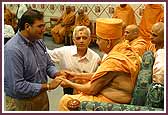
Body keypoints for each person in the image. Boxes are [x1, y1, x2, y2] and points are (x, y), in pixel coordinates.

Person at [57, 18, 141, 111]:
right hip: (113, 93)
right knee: (80, 83)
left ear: (108, 42)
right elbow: (102, 76)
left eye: (98, 39)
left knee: (65, 100)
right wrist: (77, 76)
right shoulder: (124, 49)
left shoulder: (113, 61)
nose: (97, 43)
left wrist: (69, 83)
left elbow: (91, 89)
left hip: (112, 102)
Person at [4, 9, 65, 111]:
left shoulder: (38, 42)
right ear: (27, 26)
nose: (44, 29)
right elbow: (17, 87)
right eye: (40, 26)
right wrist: (48, 86)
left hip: (41, 96)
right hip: (22, 102)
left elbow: (48, 64)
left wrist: (56, 74)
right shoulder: (13, 50)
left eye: (44, 26)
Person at [47, 26, 101, 95]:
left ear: (89, 40)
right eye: (78, 38)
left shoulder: (95, 58)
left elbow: (97, 79)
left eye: (84, 38)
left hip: (86, 91)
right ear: (74, 40)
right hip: (68, 89)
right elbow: (46, 55)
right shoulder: (64, 51)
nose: (81, 41)